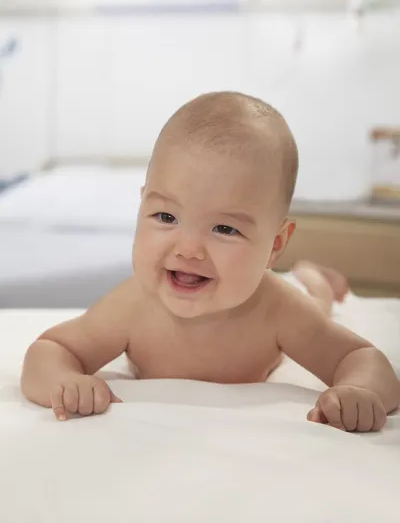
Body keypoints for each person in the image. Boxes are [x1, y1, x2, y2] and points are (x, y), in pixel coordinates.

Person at [20, 91, 400, 432]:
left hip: (285, 288)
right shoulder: (133, 306)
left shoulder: (280, 309)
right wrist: (62, 380)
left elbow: (362, 357)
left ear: (274, 244)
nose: (188, 250)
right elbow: (51, 349)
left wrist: (359, 390)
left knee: (315, 298)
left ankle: (314, 275)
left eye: (224, 228)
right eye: (166, 217)